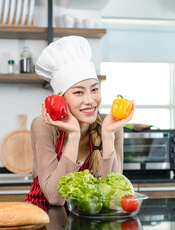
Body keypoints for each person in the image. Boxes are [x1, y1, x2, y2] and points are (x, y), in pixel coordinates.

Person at [25, 36, 135, 208]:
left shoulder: (110, 124)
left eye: (94, 89)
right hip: (45, 220)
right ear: (60, 99)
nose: (90, 100)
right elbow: (56, 198)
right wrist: (74, 135)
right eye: (78, 92)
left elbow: (112, 195)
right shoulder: (44, 126)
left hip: (89, 221)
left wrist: (107, 136)